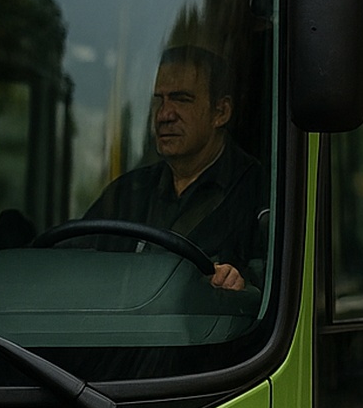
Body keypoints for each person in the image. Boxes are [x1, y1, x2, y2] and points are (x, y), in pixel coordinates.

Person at [85, 46, 265, 292]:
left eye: (181, 99)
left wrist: (242, 286)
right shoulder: (128, 193)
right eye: (158, 99)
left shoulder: (261, 194)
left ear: (220, 112)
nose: (164, 114)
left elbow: (278, 296)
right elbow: (74, 263)